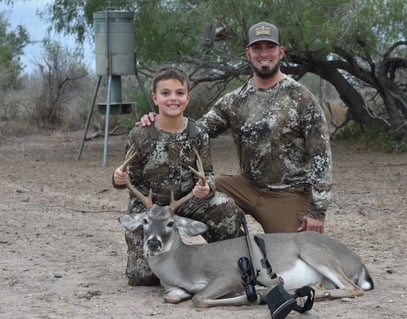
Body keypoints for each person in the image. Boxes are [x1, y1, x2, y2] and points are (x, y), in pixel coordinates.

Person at [138, 22, 332, 234]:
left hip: (287, 194)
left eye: (270, 47)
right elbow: (195, 132)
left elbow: (321, 157)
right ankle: (223, 252)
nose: (264, 53)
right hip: (245, 187)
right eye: (257, 48)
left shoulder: (301, 98)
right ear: (248, 53)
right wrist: (160, 121)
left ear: (281, 52)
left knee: (289, 262)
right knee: (190, 192)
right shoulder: (235, 100)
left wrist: (317, 212)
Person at [113, 65, 244, 286]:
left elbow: (208, 173)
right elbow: (128, 178)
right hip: (150, 208)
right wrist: (117, 179)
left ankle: (227, 261)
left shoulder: (198, 133)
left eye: (179, 93)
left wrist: (206, 187)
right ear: (155, 98)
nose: (173, 99)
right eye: (166, 93)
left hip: (186, 202)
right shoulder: (140, 134)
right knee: (143, 277)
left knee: (227, 208)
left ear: (188, 98)